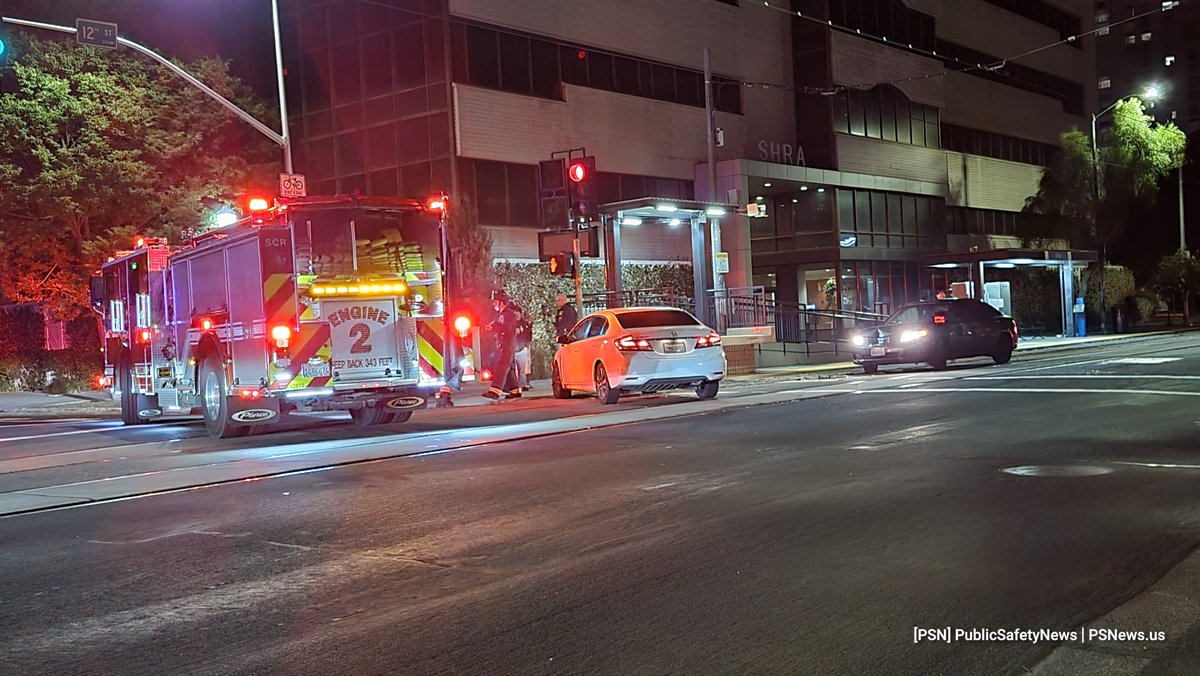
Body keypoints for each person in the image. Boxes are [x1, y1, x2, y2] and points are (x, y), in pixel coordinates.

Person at [482, 290, 521, 401]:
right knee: (509, 368)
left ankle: (495, 391)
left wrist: (494, 328)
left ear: (501, 302)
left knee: (501, 367)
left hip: (507, 345)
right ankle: (515, 390)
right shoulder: (503, 315)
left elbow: (505, 328)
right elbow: (498, 323)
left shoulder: (508, 314)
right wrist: (492, 326)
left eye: (495, 302)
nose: (493, 304)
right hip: (505, 344)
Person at [512, 307, 533, 391]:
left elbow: (528, 335)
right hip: (513, 349)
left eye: (517, 313)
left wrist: (527, 345)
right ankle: (515, 386)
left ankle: (523, 384)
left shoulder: (524, 324)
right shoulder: (511, 324)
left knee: (522, 369)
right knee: (514, 370)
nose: (516, 315)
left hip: (522, 348)